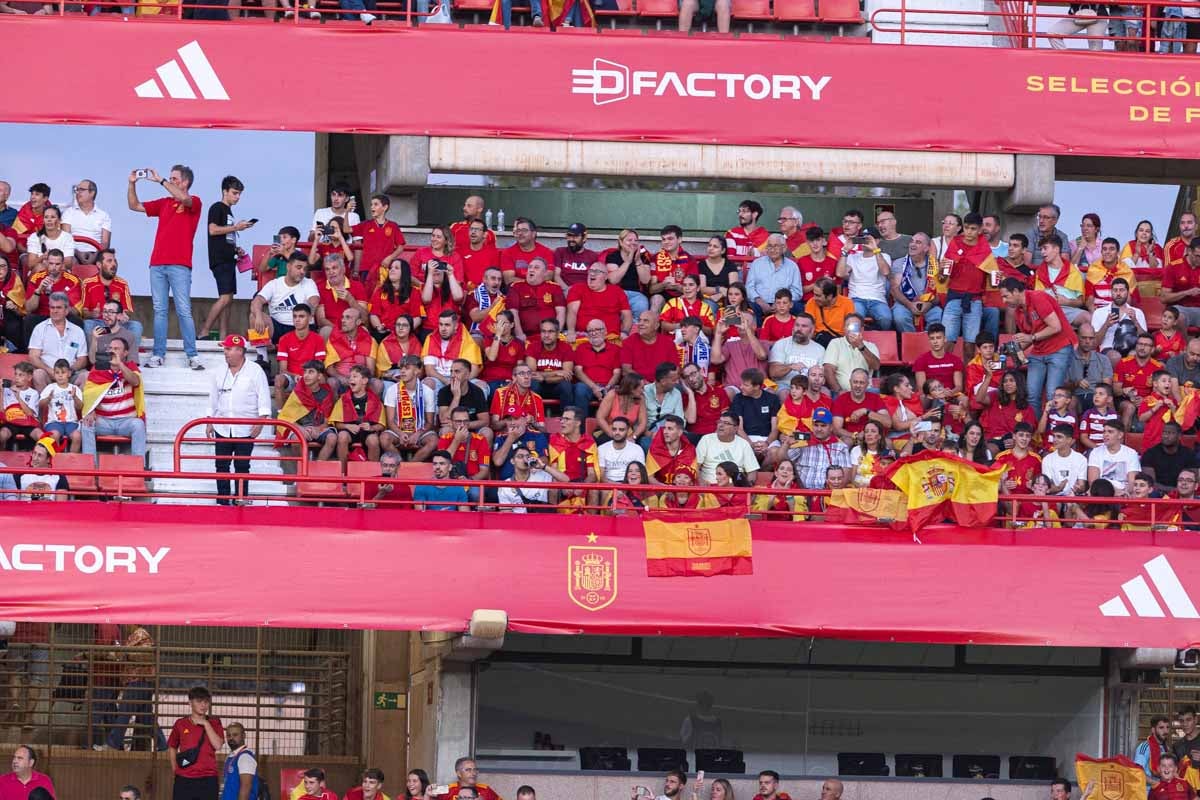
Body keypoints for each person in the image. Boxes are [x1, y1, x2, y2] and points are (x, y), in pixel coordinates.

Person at [129, 165, 203, 370]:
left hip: (180, 264)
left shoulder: (195, 201)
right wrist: (132, 183)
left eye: (175, 178)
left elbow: (185, 199)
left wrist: (161, 180)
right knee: (159, 310)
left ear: (185, 182)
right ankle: (158, 354)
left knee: (184, 310)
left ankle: (192, 355)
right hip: (157, 264)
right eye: (170, 179)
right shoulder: (164, 203)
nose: (171, 181)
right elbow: (134, 205)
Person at [208, 334, 271, 505]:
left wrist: (261, 421)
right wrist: (209, 421)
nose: (225, 353)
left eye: (229, 349)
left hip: (246, 428)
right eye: (225, 349)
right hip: (222, 426)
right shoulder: (218, 371)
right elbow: (213, 398)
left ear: (240, 351)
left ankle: (241, 500)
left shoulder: (255, 371)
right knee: (221, 466)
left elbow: (264, 397)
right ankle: (222, 501)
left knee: (242, 466)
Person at [1002, 275, 1078, 414]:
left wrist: (1031, 337)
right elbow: (1028, 339)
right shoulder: (1018, 311)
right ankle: (1036, 432)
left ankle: (1052, 431)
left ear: (1015, 291)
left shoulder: (1037, 297)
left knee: (1052, 395)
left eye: (1006, 296)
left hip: (1059, 348)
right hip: (1039, 351)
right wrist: (1012, 350)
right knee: (1032, 396)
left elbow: (1056, 327)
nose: (1004, 300)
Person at [200, 176, 252, 342]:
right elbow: (213, 230)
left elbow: (224, 236)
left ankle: (223, 336)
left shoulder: (228, 210)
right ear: (225, 191)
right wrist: (237, 227)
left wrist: (236, 249)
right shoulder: (217, 207)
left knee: (228, 298)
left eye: (239, 194)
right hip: (220, 259)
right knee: (226, 297)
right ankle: (204, 331)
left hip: (228, 258)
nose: (237, 197)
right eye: (235, 193)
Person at [101, 624, 168, 752]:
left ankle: (112, 744)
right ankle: (163, 746)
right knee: (147, 718)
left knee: (124, 713)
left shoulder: (141, 635)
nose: (124, 626)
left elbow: (148, 655)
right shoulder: (134, 636)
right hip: (142, 681)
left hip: (138, 680)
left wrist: (125, 654)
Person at [80, 337, 147, 458]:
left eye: (116, 349)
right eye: (110, 348)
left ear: (125, 353)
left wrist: (120, 364)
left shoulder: (130, 367)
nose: (112, 351)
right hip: (104, 421)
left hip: (126, 421)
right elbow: (89, 394)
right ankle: (90, 469)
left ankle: (139, 468)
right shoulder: (98, 370)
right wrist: (91, 410)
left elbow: (135, 382)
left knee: (139, 425)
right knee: (86, 424)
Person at [940, 212, 994, 358]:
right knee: (947, 343)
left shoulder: (985, 248)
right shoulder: (955, 243)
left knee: (970, 345)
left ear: (980, 229)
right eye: (966, 228)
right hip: (953, 298)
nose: (969, 232)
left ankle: (968, 380)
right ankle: (944, 377)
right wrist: (942, 270)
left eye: (973, 229)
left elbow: (992, 276)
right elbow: (943, 275)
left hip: (974, 301)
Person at [167, 686, 224, 800]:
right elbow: (172, 746)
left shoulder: (215, 722)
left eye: (206, 702)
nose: (203, 705)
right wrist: (175, 769)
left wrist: (206, 724)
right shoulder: (180, 723)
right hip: (184, 778)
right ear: (190, 702)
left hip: (208, 778)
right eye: (199, 701)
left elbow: (218, 745)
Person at [253, 254, 321, 346]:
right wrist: (258, 315)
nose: (302, 272)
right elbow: (257, 300)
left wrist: (311, 310)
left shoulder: (308, 283)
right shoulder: (275, 284)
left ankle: (281, 346)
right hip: (278, 327)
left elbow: (314, 300)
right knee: (254, 316)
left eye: (305, 269)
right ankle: (262, 355)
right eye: (299, 267)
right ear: (288, 266)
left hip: (301, 328)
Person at [26, 291, 87, 390]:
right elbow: (33, 356)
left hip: (70, 375)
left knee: (86, 376)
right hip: (49, 374)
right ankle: (46, 404)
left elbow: (82, 359)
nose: (55, 311)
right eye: (52, 307)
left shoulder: (77, 331)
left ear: (66, 310)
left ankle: (75, 404)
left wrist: (70, 370)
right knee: (38, 374)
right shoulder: (40, 328)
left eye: (58, 308)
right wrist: (49, 370)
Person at [837, 225, 892, 329]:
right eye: (863, 239)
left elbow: (885, 272)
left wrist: (875, 249)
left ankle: (878, 339)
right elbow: (840, 274)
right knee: (855, 320)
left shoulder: (884, 256)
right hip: (856, 298)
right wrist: (845, 251)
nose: (865, 242)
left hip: (877, 299)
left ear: (878, 241)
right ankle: (857, 342)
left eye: (868, 239)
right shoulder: (853, 257)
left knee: (886, 318)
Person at [891, 232, 941, 333]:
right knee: (900, 318)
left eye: (918, 242)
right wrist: (909, 304)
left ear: (926, 248)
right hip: (904, 303)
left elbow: (940, 293)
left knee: (938, 316)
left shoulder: (935, 265)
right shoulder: (900, 263)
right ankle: (913, 344)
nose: (912, 244)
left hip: (929, 304)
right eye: (912, 241)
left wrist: (929, 304)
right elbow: (894, 289)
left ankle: (927, 344)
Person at [1034, 233, 1088, 327]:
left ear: (1056, 249)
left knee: (1088, 318)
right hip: (1047, 311)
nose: (1042, 252)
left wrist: (1067, 302)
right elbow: (1037, 298)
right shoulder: (1040, 272)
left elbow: (1080, 302)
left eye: (1045, 248)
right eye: (1041, 249)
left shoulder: (1073, 271)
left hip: (1067, 309)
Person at [746, 235, 802, 321]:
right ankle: (758, 333)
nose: (772, 249)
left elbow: (797, 292)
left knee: (799, 308)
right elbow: (749, 287)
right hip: (759, 302)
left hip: (784, 303)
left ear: (783, 248)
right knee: (749, 308)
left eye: (776, 246)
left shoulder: (792, 267)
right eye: (769, 246)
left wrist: (781, 303)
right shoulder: (757, 264)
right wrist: (760, 301)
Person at [821, 314, 880, 395]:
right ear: (844, 328)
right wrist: (839, 391)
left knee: (879, 394)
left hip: (866, 392)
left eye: (854, 326)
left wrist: (860, 346)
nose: (851, 330)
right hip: (842, 391)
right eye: (848, 326)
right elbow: (828, 370)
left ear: (862, 329)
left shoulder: (871, 346)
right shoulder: (835, 343)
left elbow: (876, 366)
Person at [606, 229, 654, 320]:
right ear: (620, 242)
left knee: (641, 305)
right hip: (617, 292)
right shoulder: (613, 256)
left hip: (637, 294)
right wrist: (628, 261)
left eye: (636, 240)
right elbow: (613, 280)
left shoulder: (643, 257)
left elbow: (646, 280)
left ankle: (634, 331)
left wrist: (638, 261)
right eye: (629, 240)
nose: (633, 243)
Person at [768, 314, 826, 387]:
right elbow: (773, 373)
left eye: (804, 326)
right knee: (784, 393)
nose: (799, 329)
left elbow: (822, 376)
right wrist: (790, 367)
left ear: (812, 330)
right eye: (797, 325)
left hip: (809, 387)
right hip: (785, 385)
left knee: (825, 392)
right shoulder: (781, 344)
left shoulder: (820, 349)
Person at [1087, 419, 1141, 495]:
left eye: (1110, 432)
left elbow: (1132, 482)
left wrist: (1122, 493)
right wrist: (1114, 492)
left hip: (1124, 495)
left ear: (1120, 435)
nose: (1105, 434)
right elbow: (1093, 482)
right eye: (1104, 431)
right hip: (1101, 494)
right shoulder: (1095, 452)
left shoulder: (1131, 453)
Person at [1070, 323, 1114, 413]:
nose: (1087, 341)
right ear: (1077, 337)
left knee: (1107, 400)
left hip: (1097, 396)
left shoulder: (1103, 359)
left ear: (1094, 339)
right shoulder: (1068, 359)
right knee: (1072, 401)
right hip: (1076, 396)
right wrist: (1076, 383)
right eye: (1084, 338)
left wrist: (1097, 394)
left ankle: (1112, 424)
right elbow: (1063, 387)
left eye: (1091, 338)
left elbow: (1106, 387)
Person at [1143, 420, 1197, 492]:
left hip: (1182, 493)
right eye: (1164, 432)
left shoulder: (1189, 454)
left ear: (1179, 436)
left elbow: (1190, 481)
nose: (1165, 436)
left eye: (1170, 433)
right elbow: (1150, 483)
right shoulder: (1150, 454)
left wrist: (1179, 492)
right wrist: (1173, 490)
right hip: (1157, 494)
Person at [805, 277, 857, 347]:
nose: (814, 298)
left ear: (830, 296)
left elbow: (852, 328)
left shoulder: (847, 303)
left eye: (818, 295)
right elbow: (808, 327)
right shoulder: (811, 302)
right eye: (814, 294)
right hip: (817, 343)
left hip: (839, 344)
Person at [553, 223, 600, 292]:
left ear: (584, 238)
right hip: (564, 290)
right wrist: (567, 289)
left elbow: (595, 278)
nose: (571, 239)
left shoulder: (592, 256)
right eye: (569, 236)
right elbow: (556, 275)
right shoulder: (560, 252)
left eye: (575, 236)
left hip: (585, 292)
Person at [697, 236, 741, 306]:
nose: (711, 248)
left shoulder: (730, 265)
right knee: (709, 306)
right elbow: (702, 289)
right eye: (709, 245)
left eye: (715, 246)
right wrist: (719, 289)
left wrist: (721, 295)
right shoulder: (702, 265)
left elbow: (734, 288)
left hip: (729, 299)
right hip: (709, 298)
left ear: (723, 250)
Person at [221, 723, 260, 800]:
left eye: (235, 735)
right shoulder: (231, 756)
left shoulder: (245, 758)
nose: (231, 738)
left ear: (244, 736)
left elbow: (245, 789)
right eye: (228, 735)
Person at [435, 757, 503, 800]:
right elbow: (427, 794)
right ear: (458, 773)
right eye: (468, 770)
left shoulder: (485, 789)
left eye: (475, 770)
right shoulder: (445, 789)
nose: (473, 773)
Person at [1138, 716, 1174, 782]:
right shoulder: (1145, 747)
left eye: (1167, 727)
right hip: (1147, 791)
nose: (1165, 731)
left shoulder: (1166, 748)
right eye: (1161, 728)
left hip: (1161, 789)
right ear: (1153, 730)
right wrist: (1154, 784)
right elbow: (1137, 772)